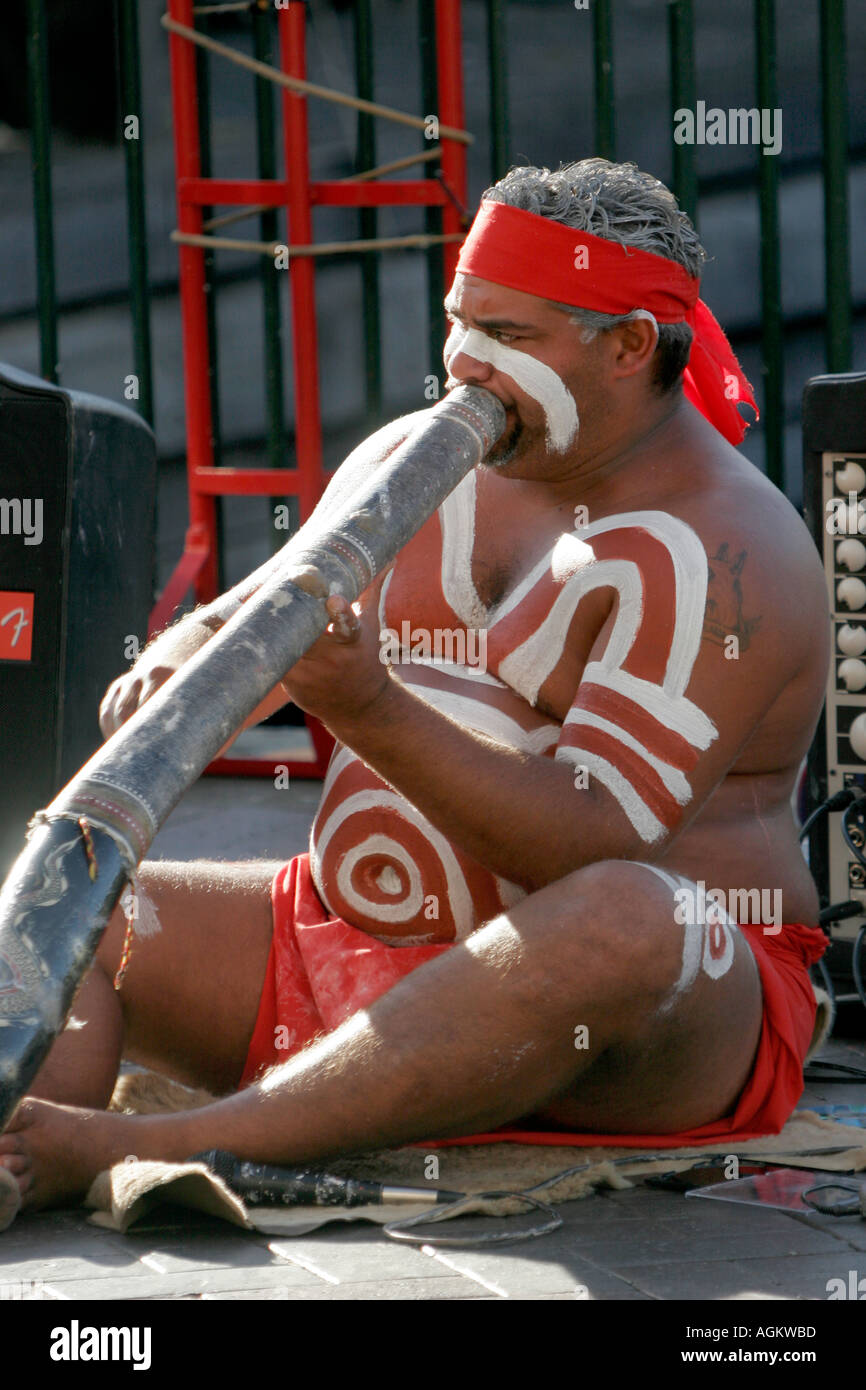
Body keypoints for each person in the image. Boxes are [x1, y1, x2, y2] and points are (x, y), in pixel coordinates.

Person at [0, 159, 830, 1213]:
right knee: (84, 911)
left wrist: (364, 704)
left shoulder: (724, 549)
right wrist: (179, 670)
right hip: (339, 948)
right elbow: (247, 619)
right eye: (459, 321)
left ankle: (169, 1140)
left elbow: (588, 844)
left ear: (626, 347)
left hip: (645, 1012)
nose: (466, 364)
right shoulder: (404, 459)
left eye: (513, 337)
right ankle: (23, 1151)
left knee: (625, 918)